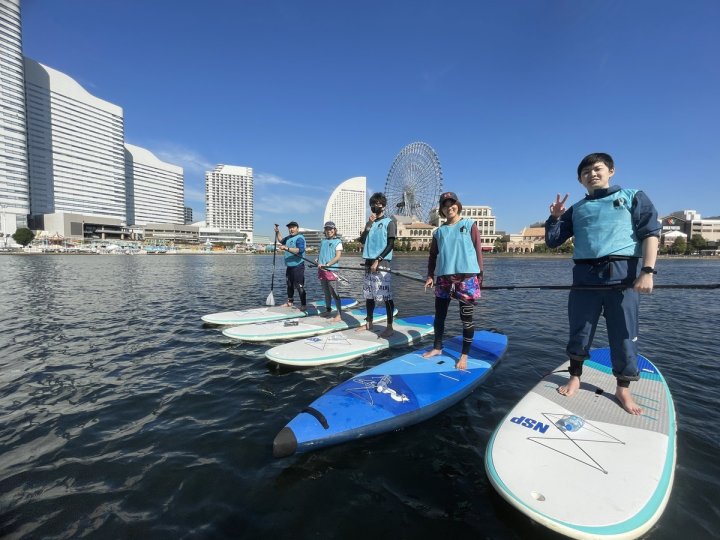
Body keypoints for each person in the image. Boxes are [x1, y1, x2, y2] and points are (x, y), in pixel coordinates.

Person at [545, 152, 660, 415]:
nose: (592, 174)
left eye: (597, 169)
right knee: (580, 330)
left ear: (611, 171)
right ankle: (575, 376)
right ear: (580, 180)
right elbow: (553, 241)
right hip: (585, 277)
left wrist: (648, 271)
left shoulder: (633, 196)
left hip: (623, 275)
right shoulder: (578, 208)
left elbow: (650, 234)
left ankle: (623, 387)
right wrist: (554, 218)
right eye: (586, 172)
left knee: (623, 333)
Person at [423, 192, 484, 370]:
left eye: (452, 203)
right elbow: (433, 256)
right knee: (439, 317)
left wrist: (480, 276)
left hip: (467, 279)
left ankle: (464, 355)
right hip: (443, 279)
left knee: (466, 319)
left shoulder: (469, 224)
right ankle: (437, 347)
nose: (449, 207)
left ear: (458, 205)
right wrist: (429, 275)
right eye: (445, 204)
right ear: (441, 209)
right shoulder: (439, 232)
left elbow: (478, 250)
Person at [358, 192, 396, 338]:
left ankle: (390, 326)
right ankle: (369, 322)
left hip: (382, 263)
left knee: (385, 296)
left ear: (384, 206)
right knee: (369, 295)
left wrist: (378, 259)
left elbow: (391, 244)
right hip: (368, 262)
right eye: (373, 204)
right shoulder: (371, 223)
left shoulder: (389, 222)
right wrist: (368, 225)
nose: (375, 206)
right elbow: (362, 240)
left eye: (378, 204)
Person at [274, 221, 307, 310]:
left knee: (299, 285)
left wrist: (286, 248)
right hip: (289, 266)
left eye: (293, 227)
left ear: (297, 228)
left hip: (298, 265)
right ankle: (290, 302)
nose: (291, 229)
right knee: (289, 285)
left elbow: (299, 250)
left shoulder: (300, 238)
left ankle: (303, 305)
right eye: (289, 228)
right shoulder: (288, 238)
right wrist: (277, 232)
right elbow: (280, 240)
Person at [317, 221, 344, 322]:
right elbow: (320, 254)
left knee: (334, 293)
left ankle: (339, 314)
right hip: (321, 270)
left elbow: (337, 257)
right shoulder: (323, 241)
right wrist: (318, 261)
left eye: (331, 229)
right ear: (325, 231)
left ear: (334, 230)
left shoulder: (338, 242)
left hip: (332, 271)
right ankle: (328, 310)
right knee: (326, 292)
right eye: (327, 229)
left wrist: (327, 264)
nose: (329, 231)